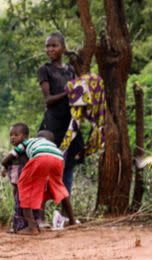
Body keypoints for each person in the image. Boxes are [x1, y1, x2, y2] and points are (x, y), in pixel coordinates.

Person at [1, 130, 76, 235]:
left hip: (40, 158)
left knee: (24, 186)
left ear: (37, 137)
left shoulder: (29, 141)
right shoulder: (54, 146)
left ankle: (32, 228)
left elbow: (12, 154)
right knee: (60, 188)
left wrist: (4, 166)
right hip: (59, 159)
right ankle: (72, 221)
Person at [38, 32, 84, 195]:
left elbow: (81, 90)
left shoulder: (71, 70)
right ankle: (41, 212)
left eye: (54, 45)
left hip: (70, 124)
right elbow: (48, 100)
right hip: (52, 125)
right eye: (47, 46)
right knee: (48, 166)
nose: (50, 49)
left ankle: (65, 213)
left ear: (63, 49)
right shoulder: (45, 70)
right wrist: (67, 93)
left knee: (68, 167)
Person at [0, 122, 30, 232]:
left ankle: (19, 227)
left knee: (21, 204)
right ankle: (21, 226)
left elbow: (6, 161)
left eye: (16, 135)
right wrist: (4, 169)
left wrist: (3, 165)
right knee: (18, 203)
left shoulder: (24, 149)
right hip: (15, 184)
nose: (12, 137)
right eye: (11, 135)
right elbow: (9, 163)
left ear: (25, 136)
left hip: (22, 183)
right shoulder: (16, 150)